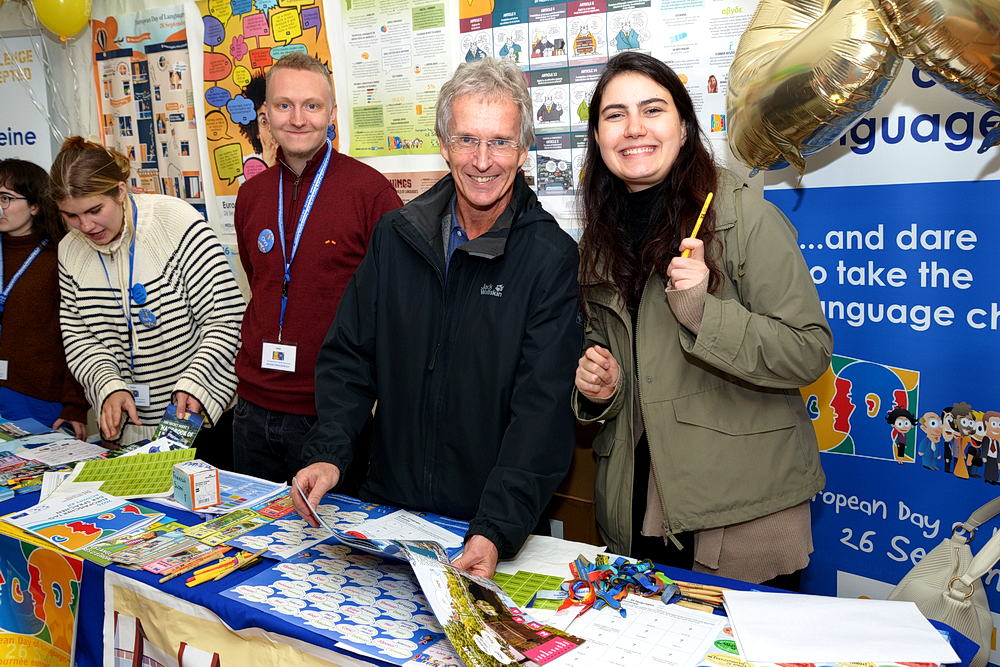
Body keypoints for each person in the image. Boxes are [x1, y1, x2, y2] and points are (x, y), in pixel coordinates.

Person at [293, 57, 581, 577]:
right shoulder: (395, 237)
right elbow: (348, 357)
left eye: (500, 142)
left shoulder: (550, 258)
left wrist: (495, 528)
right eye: (467, 140)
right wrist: (329, 454)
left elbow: (541, 413)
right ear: (444, 144)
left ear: (523, 150)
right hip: (386, 513)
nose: (483, 161)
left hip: (484, 529)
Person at [573, 52, 831, 588]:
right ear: (598, 137)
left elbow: (808, 351)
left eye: (653, 110)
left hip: (738, 509)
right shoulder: (599, 240)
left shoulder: (744, 217)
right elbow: (616, 358)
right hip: (636, 498)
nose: (634, 128)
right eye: (615, 115)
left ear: (685, 127)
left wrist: (704, 313)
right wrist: (601, 388)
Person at [232, 53, 402, 483]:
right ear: (265, 114)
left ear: (332, 114)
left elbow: (395, 304)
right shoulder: (251, 196)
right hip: (252, 408)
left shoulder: (370, 193)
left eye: (312, 105)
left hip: (333, 415)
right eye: (284, 105)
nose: (297, 119)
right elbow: (261, 281)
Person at [52, 137, 244, 457]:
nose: (85, 225)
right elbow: (80, 339)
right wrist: (109, 386)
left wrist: (196, 382)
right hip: (131, 429)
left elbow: (226, 318)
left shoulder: (175, 222)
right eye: (70, 216)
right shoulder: (70, 251)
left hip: (200, 420)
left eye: (94, 210)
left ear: (120, 191)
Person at [0, 159, 88, 438]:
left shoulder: (62, 256)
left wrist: (75, 405)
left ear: (35, 206)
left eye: (6, 198)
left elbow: (81, 335)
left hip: (39, 398)